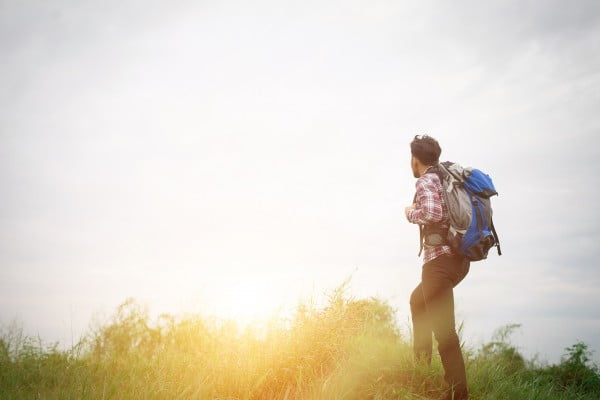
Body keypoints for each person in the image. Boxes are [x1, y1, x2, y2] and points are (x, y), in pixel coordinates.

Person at [405, 135, 470, 400]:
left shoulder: (426, 180)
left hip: (438, 263)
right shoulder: (445, 178)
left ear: (415, 160)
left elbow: (431, 213)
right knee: (418, 302)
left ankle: (458, 393)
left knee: (444, 330)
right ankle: (421, 366)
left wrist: (409, 212)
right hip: (458, 260)